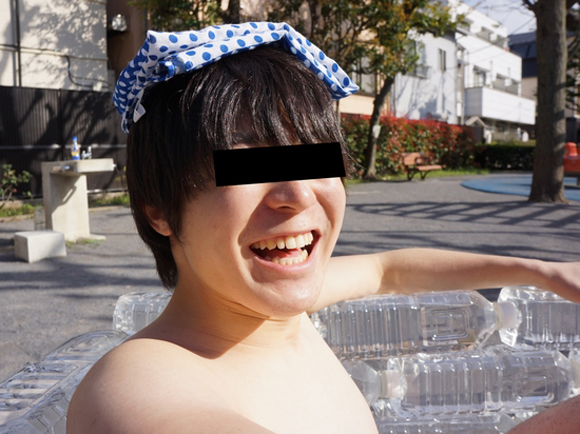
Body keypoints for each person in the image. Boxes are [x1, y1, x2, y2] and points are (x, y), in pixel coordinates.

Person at [67, 22, 580, 433]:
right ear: (159, 208)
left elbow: (387, 270)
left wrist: (542, 271)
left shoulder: (270, 311)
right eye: (249, 166)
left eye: (316, 160)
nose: (298, 195)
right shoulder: (138, 387)